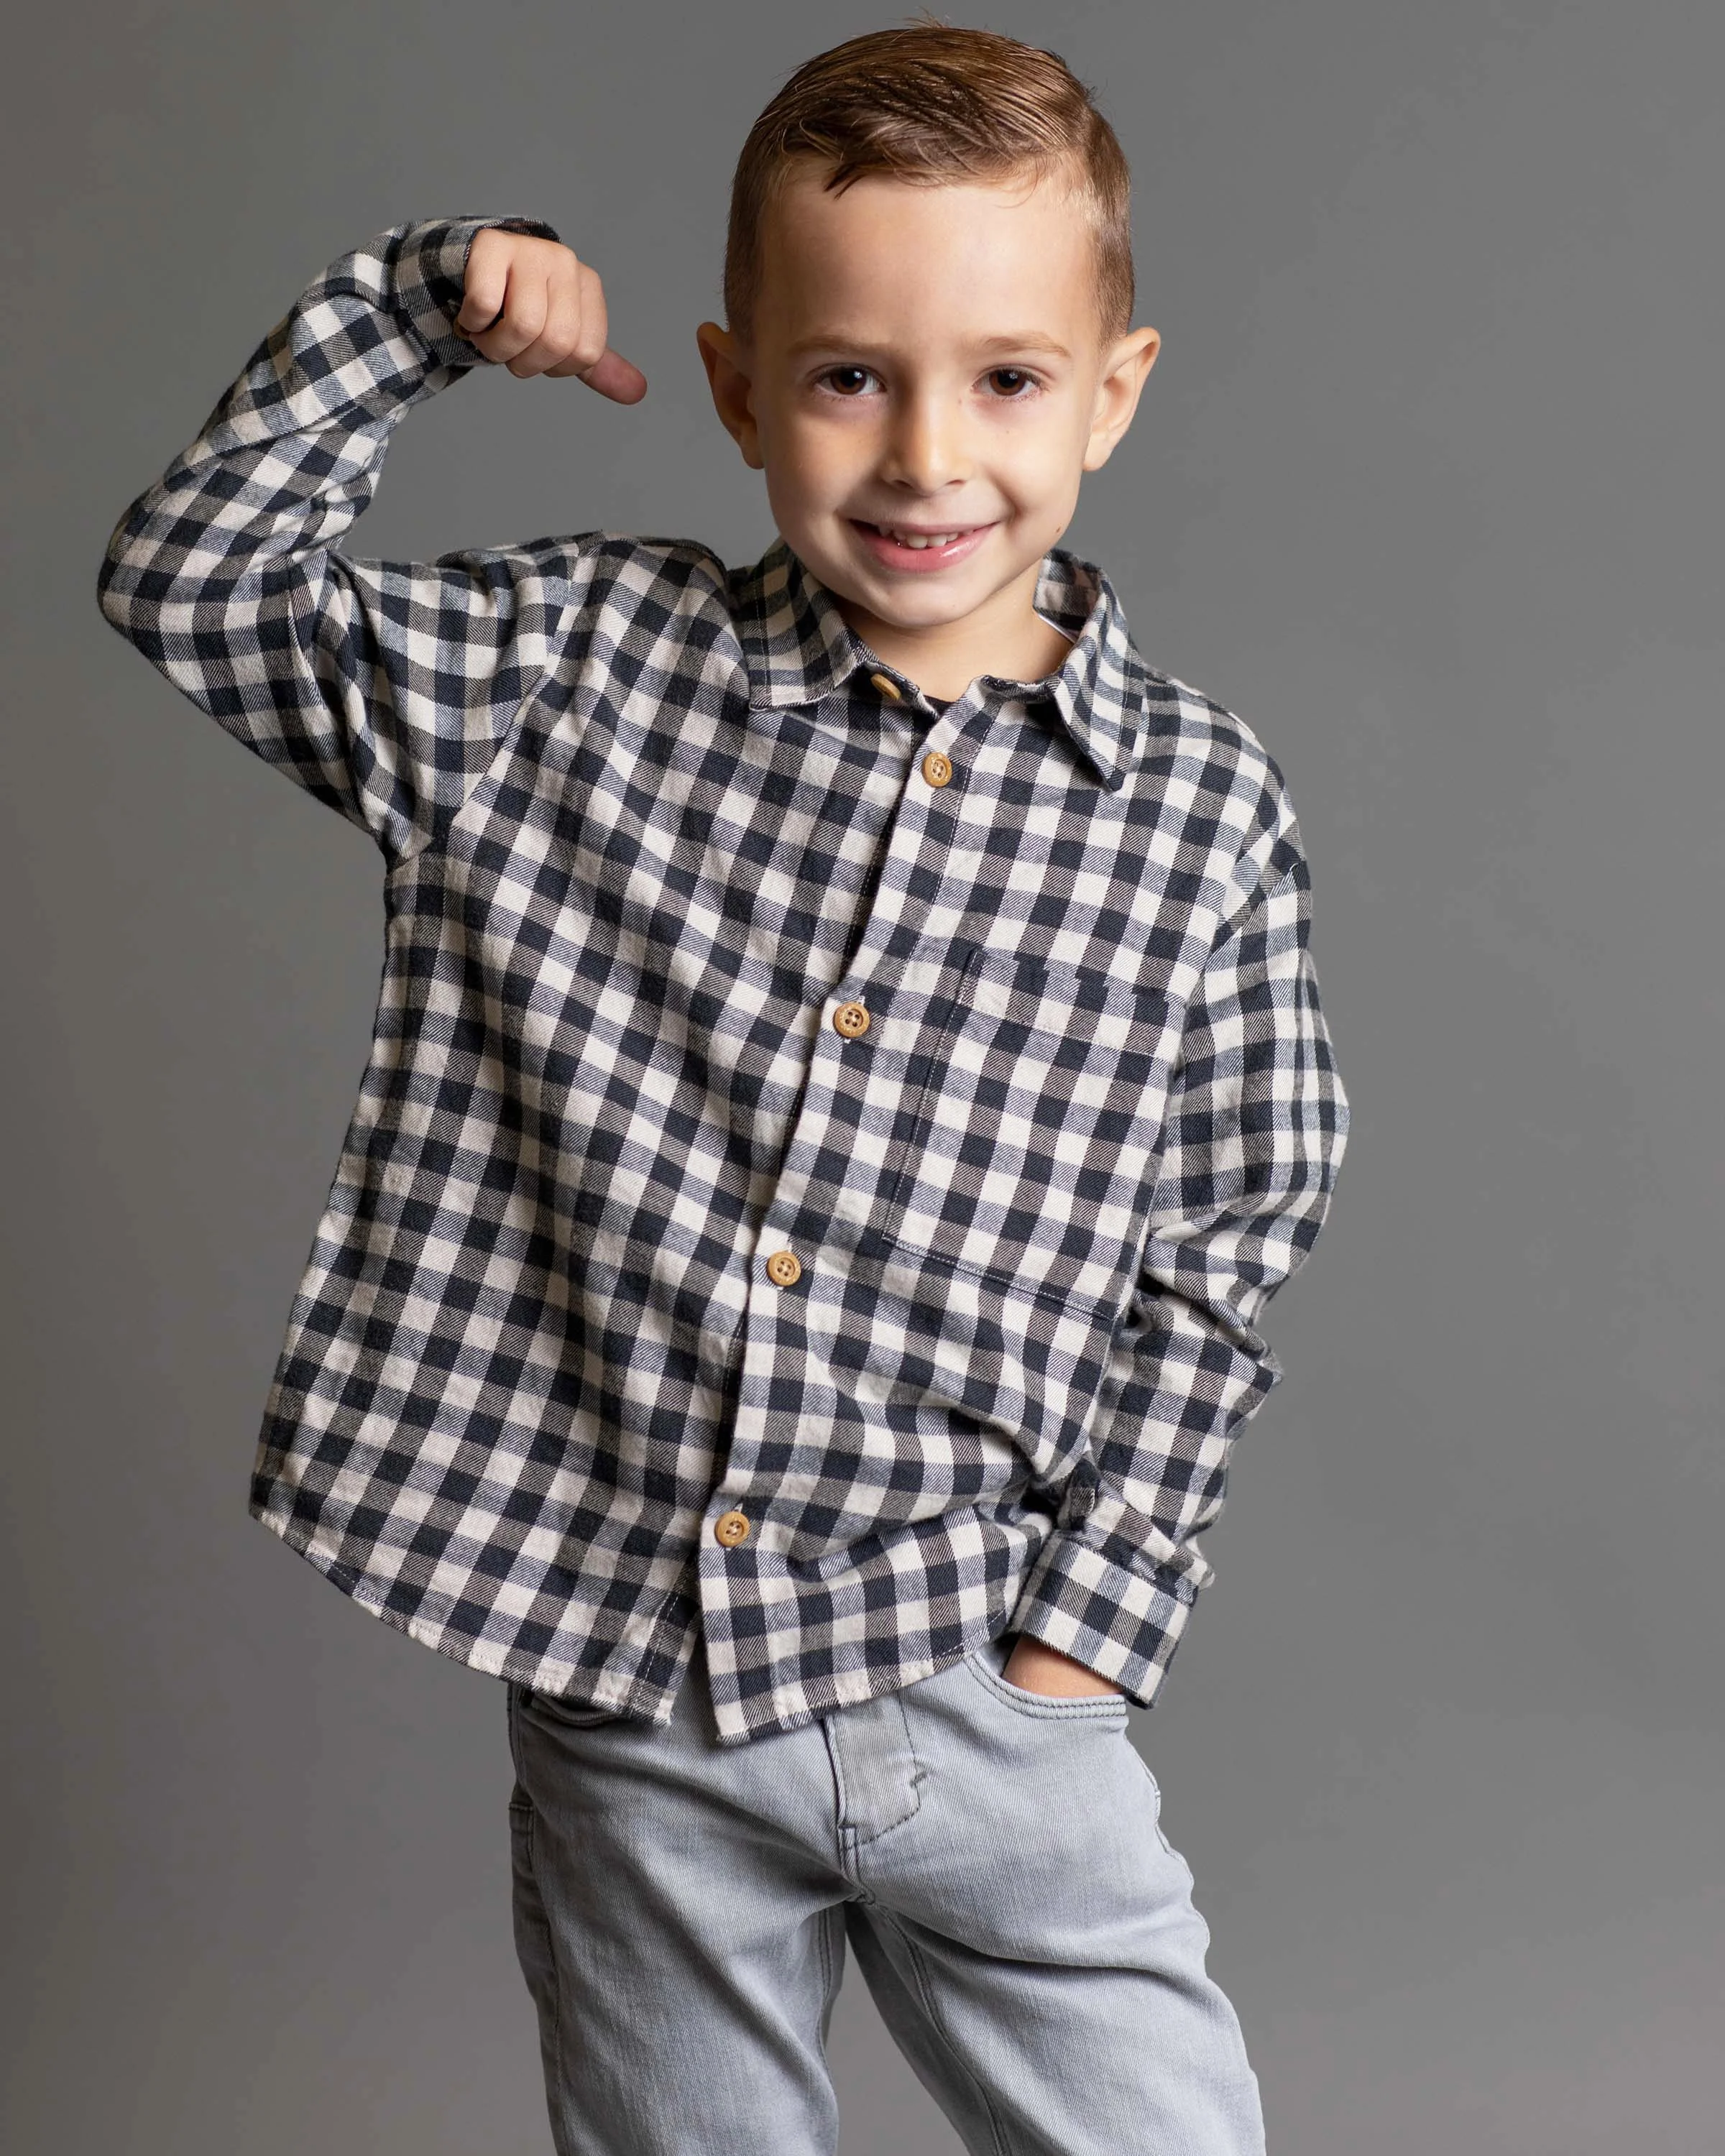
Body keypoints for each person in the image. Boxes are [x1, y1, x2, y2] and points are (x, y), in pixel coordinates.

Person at [97, 23, 1348, 2155]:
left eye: (1010, 379)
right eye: (852, 374)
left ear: (1115, 394)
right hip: (629, 1690)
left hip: (974, 1674)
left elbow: (1231, 1240)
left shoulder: (1205, 811)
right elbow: (192, 585)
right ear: (740, 384)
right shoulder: (563, 674)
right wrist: (414, 314)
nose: (927, 454)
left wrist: (1083, 1641)